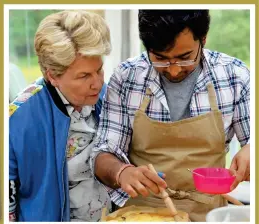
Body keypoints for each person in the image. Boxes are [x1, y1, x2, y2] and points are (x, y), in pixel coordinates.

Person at [91, 10, 250, 222]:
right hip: (140, 214)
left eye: (184, 58)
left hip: (207, 213)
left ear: (203, 39)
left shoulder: (234, 76)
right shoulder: (127, 78)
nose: (174, 71)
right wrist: (121, 172)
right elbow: (102, 154)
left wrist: (252, 149)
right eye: (160, 59)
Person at [9, 10, 112, 221]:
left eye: (99, 70)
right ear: (53, 76)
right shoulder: (16, 121)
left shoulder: (105, 95)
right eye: (84, 76)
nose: (98, 83)